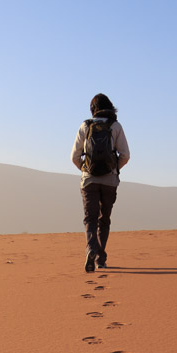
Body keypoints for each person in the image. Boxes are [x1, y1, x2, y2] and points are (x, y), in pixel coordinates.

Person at [70, 94, 130, 272]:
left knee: (90, 218)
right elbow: (125, 155)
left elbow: (74, 156)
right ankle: (100, 259)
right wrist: (114, 169)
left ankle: (91, 250)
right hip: (110, 181)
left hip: (89, 180)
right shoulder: (115, 126)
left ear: (92, 109)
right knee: (104, 219)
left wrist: (85, 169)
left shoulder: (85, 126)